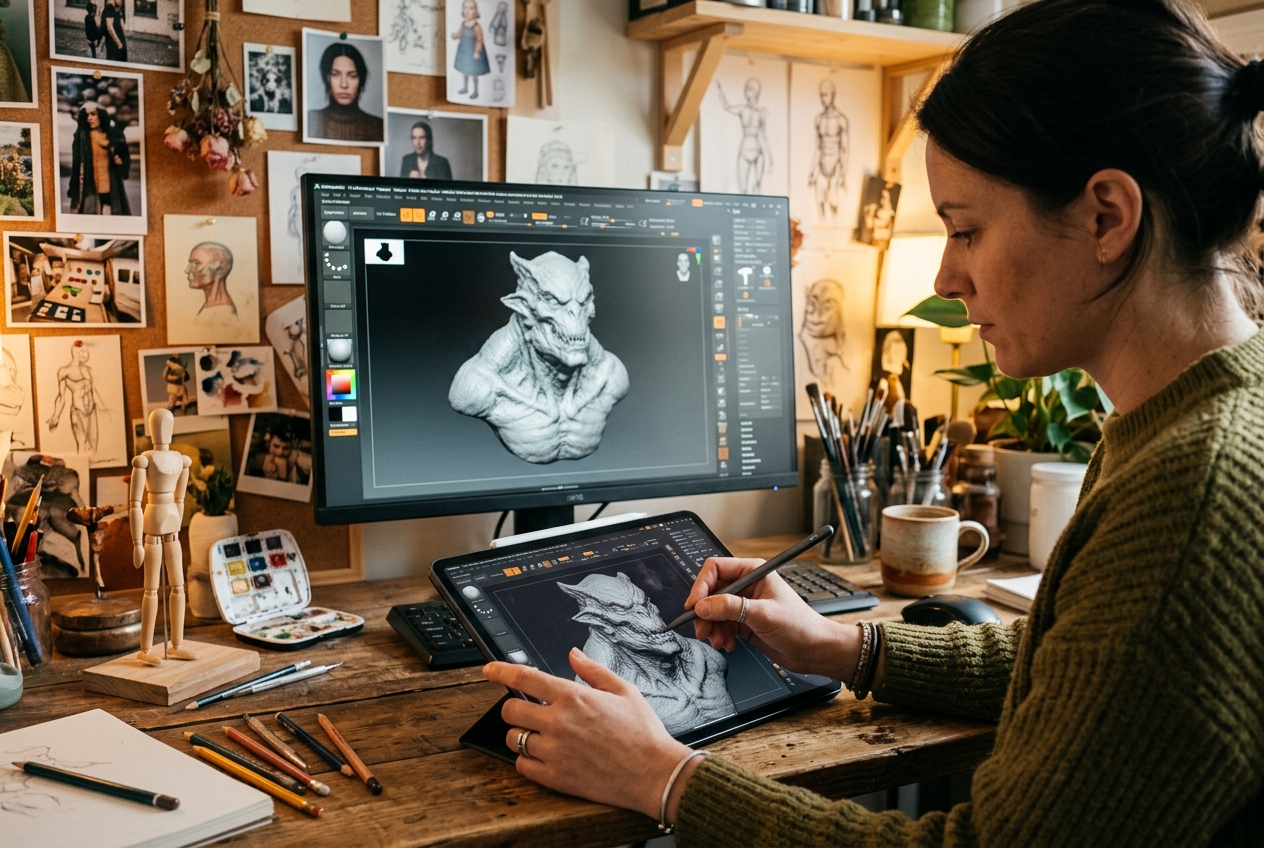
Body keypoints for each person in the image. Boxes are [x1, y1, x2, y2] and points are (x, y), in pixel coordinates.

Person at [482, 1, 1264, 843]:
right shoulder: (1196, 415)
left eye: (965, 228)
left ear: (1106, 216)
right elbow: (1078, 670)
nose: (947, 271)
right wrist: (842, 649)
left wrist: (663, 778)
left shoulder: (1190, 492)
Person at [307, 42, 383, 144]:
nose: (344, 84)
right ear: (327, 78)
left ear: (361, 80)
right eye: (335, 75)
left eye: (352, 76)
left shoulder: (377, 127)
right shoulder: (311, 120)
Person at [68, 102, 131, 217]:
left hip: (111, 185)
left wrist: (120, 161)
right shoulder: (82, 137)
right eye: (87, 115)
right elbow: (76, 164)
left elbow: (124, 157)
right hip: (89, 186)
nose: (89, 118)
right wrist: (74, 191)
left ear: (101, 115)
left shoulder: (114, 136)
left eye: (93, 114)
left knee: (110, 213)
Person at [452, 0, 490, 100]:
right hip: (464, 52)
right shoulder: (463, 23)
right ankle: (465, 88)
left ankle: (476, 91)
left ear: (475, 11)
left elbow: (479, 40)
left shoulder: (477, 27)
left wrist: (477, 52)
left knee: (474, 73)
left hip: (473, 53)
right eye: (465, 8)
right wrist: (455, 36)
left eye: (471, 8)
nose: (468, 11)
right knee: (465, 71)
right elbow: (459, 33)